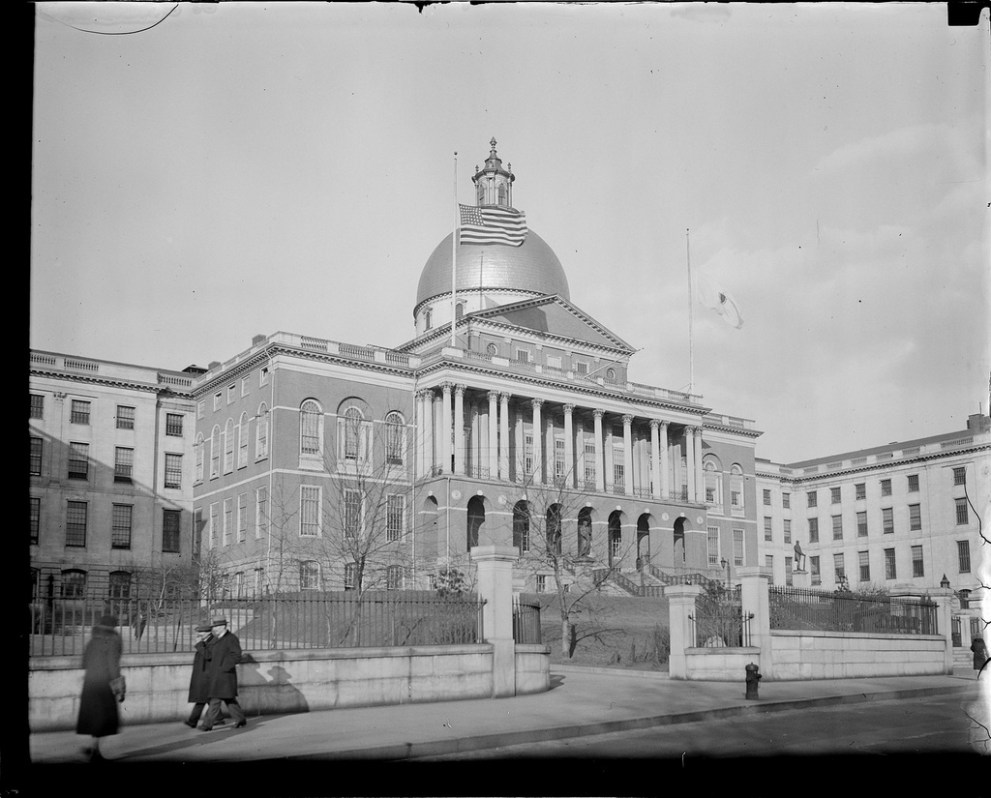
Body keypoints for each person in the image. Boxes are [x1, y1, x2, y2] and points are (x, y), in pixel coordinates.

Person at [76, 614, 123, 762]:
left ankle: (94, 748)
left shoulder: (92, 641)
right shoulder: (112, 642)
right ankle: (95, 751)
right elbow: (113, 667)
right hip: (104, 685)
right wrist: (119, 688)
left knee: (94, 718)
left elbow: (84, 662)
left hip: (90, 683)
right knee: (104, 720)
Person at [200, 618, 247, 731]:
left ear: (223, 627)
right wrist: (201, 645)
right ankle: (240, 719)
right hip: (218, 675)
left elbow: (236, 655)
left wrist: (223, 667)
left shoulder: (231, 639)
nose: (214, 629)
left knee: (215, 700)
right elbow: (210, 655)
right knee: (229, 699)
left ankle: (207, 724)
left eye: (216, 627)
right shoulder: (217, 639)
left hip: (225, 676)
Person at [184, 623, 225, 729]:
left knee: (202, 699)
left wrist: (199, 645)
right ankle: (218, 718)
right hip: (203, 675)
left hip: (207, 675)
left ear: (207, 633)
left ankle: (193, 721)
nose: (199, 634)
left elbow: (208, 656)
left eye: (201, 632)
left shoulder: (213, 642)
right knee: (204, 699)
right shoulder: (206, 641)